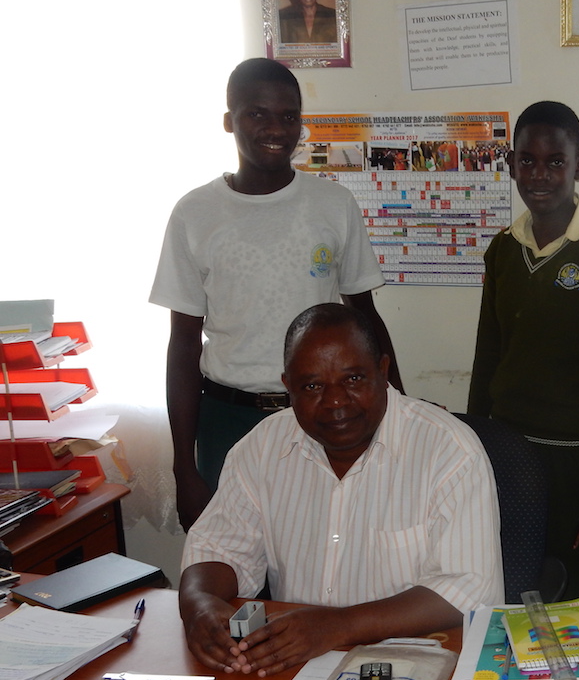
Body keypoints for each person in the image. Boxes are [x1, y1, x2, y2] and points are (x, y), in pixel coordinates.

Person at [179, 303, 503, 677]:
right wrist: (198, 603)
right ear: (288, 388)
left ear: (383, 372)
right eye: (313, 386)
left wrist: (336, 626)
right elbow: (219, 547)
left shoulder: (448, 450)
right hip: (295, 665)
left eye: (353, 380)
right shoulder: (260, 449)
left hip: (417, 664)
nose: (334, 401)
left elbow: (468, 590)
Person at [150, 58, 403, 532]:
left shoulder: (333, 204)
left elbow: (365, 319)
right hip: (228, 418)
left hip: (326, 414)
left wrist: (400, 412)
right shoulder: (195, 213)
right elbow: (182, 344)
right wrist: (183, 467)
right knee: (237, 574)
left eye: (289, 116)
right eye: (256, 114)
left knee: (331, 561)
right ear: (229, 121)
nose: (275, 129)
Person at [467, 101, 579, 635]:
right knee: (517, 602)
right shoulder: (503, 250)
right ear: (513, 164)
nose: (539, 175)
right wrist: (476, 447)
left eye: (554, 162)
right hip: (509, 453)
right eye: (527, 161)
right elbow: (487, 355)